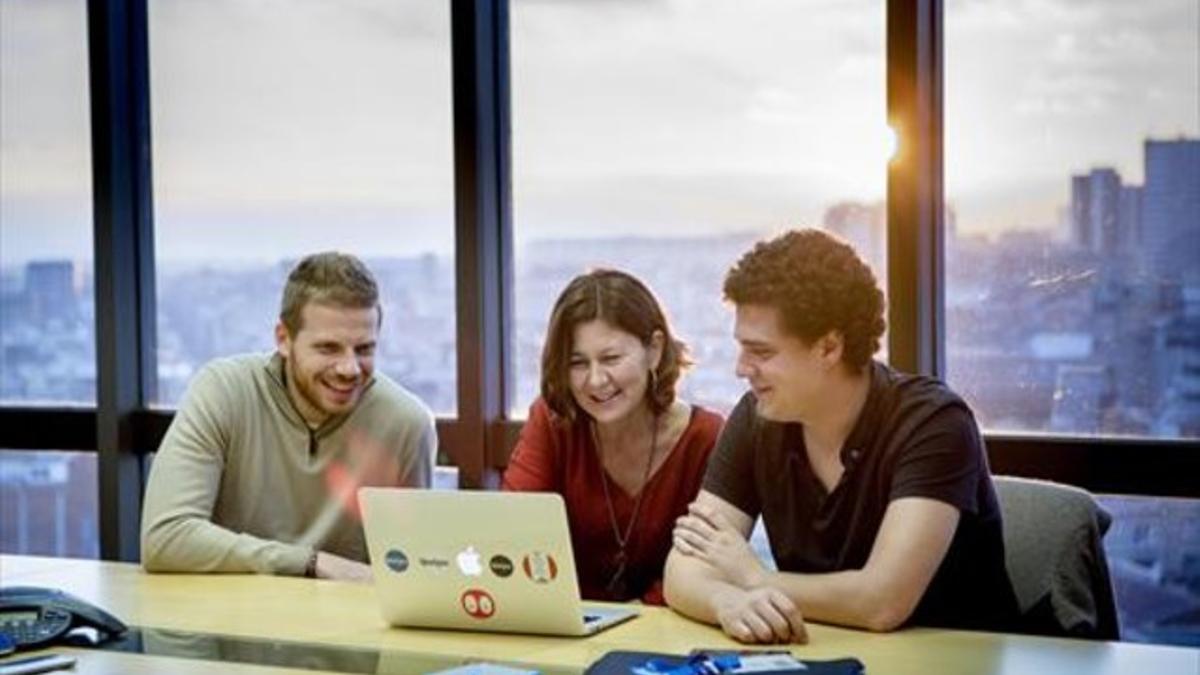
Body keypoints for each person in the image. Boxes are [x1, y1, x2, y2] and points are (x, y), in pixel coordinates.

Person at [665, 229, 1019, 643]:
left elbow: (882, 602)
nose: (741, 369)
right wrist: (725, 602)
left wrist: (752, 577)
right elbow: (683, 572)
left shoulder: (935, 423)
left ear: (829, 348)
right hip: (830, 654)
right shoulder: (757, 417)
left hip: (955, 662)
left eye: (761, 352)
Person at [141, 252, 436, 581]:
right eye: (328, 348)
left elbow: (409, 574)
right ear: (284, 339)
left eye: (364, 349)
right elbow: (165, 537)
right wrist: (311, 562)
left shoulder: (407, 423)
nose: (349, 368)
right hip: (226, 623)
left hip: (344, 626)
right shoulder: (224, 391)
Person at [503, 269, 723, 605]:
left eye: (611, 359)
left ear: (654, 350)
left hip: (669, 633)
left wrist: (637, 616)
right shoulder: (553, 421)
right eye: (578, 363)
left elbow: (707, 565)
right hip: (566, 626)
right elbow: (513, 532)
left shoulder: (705, 438)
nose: (595, 380)